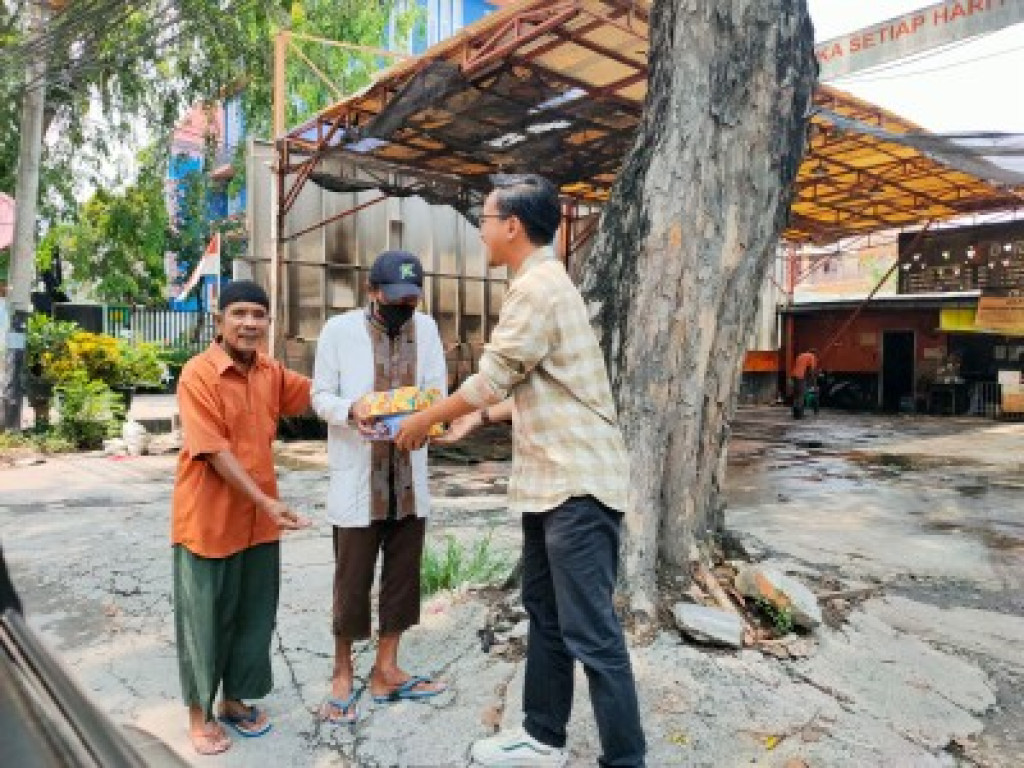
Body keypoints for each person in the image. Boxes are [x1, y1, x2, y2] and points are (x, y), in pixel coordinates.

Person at [396, 175, 646, 767]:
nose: (479, 230)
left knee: (591, 631)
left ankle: (626, 760)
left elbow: (493, 375)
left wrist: (422, 421)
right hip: (550, 485)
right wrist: (479, 419)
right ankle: (542, 736)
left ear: (512, 226)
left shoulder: (536, 289)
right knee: (547, 613)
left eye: (485, 219)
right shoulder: (541, 285)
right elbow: (538, 386)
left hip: (576, 484)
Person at [171, 280, 312, 756]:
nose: (250, 323)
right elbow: (213, 451)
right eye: (239, 314)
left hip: (259, 525)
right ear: (219, 321)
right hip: (208, 524)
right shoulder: (199, 375)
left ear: (268, 323)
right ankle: (199, 716)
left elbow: (317, 396)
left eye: (258, 315)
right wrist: (266, 501)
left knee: (253, 617)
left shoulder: (271, 372)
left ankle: (234, 701)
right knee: (204, 622)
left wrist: (374, 405)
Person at [311, 250, 448, 726]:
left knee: (402, 579)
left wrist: (430, 420)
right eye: (394, 299)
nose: (403, 307)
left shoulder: (426, 329)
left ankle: (386, 669)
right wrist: (353, 410)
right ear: (372, 292)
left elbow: (437, 392)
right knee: (351, 582)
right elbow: (319, 395)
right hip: (358, 481)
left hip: (409, 478)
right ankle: (342, 672)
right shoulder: (339, 331)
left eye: (411, 299)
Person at [790, 347, 819, 419]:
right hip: (800, 377)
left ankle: (795, 414)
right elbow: (812, 371)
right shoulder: (812, 357)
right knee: (801, 395)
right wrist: (814, 383)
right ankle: (799, 415)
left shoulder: (801, 355)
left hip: (794, 376)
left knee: (796, 395)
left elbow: (802, 367)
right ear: (814, 354)